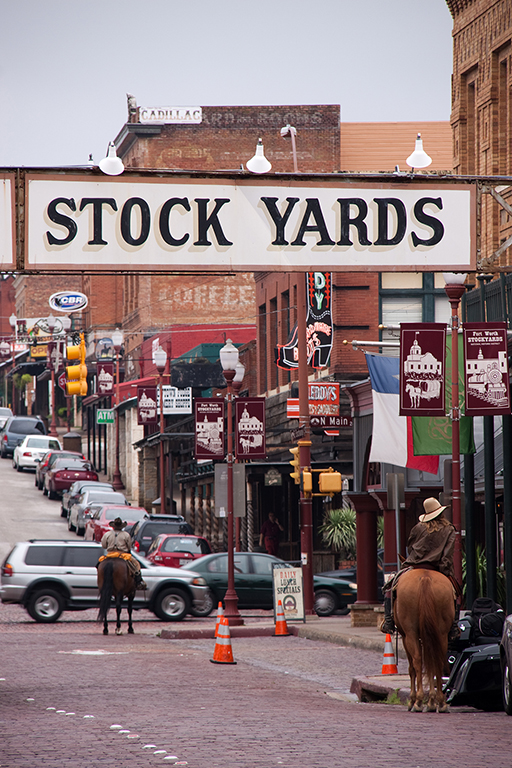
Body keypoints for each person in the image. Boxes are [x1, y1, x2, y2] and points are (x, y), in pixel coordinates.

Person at [380, 497, 459, 641]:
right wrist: (445, 572)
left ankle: (389, 621)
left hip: (414, 565)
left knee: (391, 586)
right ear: (441, 512)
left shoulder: (418, 528)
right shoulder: (449, 530)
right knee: (455, 592)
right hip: (438, 568)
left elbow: (411, 547)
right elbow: (447, 555)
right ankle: (454, 626)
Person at [100, 517, 146, 589]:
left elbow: (104, 546)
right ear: (121, 526)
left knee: (99, 564)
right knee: (136, 564)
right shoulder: (126, 535)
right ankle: (139, 581)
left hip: (110, 554)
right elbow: (129, 547)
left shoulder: (107, 534)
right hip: (122, 555)